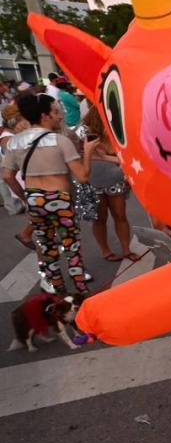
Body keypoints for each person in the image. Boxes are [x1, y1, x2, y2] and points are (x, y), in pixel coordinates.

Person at [1, 92, 98, 295]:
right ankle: (81, 291)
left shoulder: (15, 142)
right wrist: (88, 153)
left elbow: (8, 176)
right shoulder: (60, 141)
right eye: (56, 112)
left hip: (34, 199)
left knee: (47, 248)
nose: (60, 116)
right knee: (71, 248)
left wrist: (24, 197)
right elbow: (82, 177)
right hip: (60, 199)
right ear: (45, 116)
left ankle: (58, 291)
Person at [80, 107, 136, 262]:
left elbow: (127, 159)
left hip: (115, 181)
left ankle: (126, 249)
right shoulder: (86, 137)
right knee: (99, 219)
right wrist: (107, 157)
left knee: (120, 215)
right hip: (93, 182)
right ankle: (105, 250)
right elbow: (82, 159)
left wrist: (104, 156)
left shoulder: (118, 135)